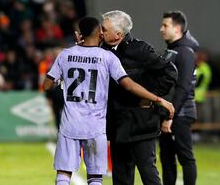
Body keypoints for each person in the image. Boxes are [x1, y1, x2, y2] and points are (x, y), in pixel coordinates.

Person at [43, 17, 175, 185]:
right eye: (101, 29)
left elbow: (47, 85)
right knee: (95, 177)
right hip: (96, 126)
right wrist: (158, 99)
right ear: (97, 33)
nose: (102, 32)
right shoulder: (107, 57)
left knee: (63, 173)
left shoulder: (65, 55)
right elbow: (129, 85)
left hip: (71, 123)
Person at [100, 10, 178, 185]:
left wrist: (151, 97)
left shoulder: (140, 49)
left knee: (148, 175)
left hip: (141, 125)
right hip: (117, 124)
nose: (100, 32)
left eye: (104, 29)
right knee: (120, 177)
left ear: (118, 34)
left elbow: (170, 72)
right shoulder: (101, 50)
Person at [159, 10, 198, 185]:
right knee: (166, 159)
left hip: (179, 114)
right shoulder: (172, 50)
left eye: (165, 25)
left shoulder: (185, 52)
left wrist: (170, 116)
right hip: (170, 112)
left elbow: (182, 87)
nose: (161, 29)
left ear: (177, 29)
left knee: (185, 157)